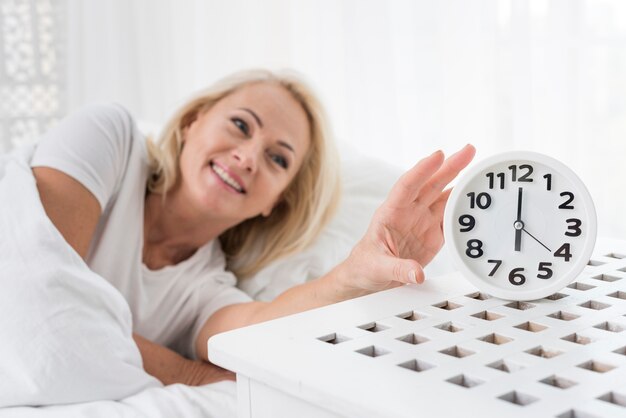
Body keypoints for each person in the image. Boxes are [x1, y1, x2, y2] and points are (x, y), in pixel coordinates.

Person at [29, 69, 475, 386]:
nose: (247, 157)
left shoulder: (206, 287)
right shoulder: (109, 140)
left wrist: (356, 273)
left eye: (277, 158)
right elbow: (40, 297)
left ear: (275, 202)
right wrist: (185, 373)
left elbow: (262, 326)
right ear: (192, 122)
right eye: (240, 125)